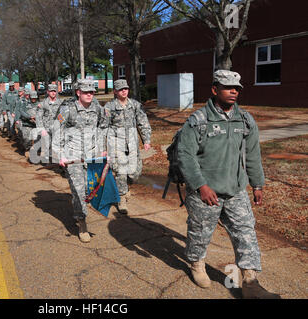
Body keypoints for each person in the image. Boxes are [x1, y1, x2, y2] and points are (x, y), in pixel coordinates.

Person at [177, 70, 280, 299]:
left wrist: (257, 184)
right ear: (215, 89)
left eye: (237, 88)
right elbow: (185, 155)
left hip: (235, 190)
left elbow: (253, 155)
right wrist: (200, 186)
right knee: (200, 233)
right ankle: (196, 263)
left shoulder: (244, 120)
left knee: (245, 233)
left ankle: (250, 282)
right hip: (205, 191)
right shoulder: (199, 120)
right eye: (228, 87)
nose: (234, 91)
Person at [52, 79, 109, 243]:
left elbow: (104, 126)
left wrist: (102, 146)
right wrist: (60, 154)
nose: (89, 95)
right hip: (73, 157)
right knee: (78, 190)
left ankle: (81, 211)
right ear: (78, 93)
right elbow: (57, 130)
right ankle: (82, 222)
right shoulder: (68, 109)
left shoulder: (97, 108)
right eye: (86, 92)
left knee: (89, 189)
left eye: (92, 92)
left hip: (92, 157)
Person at [104, 79, 152, 215]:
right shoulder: (109, 107)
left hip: (132, 144)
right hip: (116, 144)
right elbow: (103, 126)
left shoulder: (135, 105)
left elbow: (143, 122)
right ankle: (121, 198)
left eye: (125, 88)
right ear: (115, 92)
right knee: (121, 172)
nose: (124, 91)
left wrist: (146, 140)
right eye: (120, 89)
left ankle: (125, 187)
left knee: (135, 172)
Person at [34, 84, 63, 163]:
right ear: (48, 92)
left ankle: (57, 161)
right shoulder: (43, 104)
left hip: (57, 128)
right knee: (46, 145)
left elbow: (62, 116)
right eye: (51, 91)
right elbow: (39, 117)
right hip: (46, 128)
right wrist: (41, 129)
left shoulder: (60, 103)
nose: (53, 93)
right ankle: (46, 161)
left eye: (54, 91)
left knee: (58, 146)